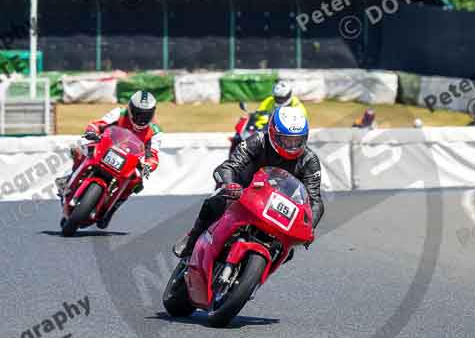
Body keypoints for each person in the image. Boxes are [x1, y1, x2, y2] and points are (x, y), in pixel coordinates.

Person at [176, 105, 324, 259]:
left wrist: (310, 227)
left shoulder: (309, 160)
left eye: (297, 140)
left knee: (286, 252)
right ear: (273, 134)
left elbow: (315, 200)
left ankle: (252, 277)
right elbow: (227, 167)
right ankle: (192, 240)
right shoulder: (258, 140)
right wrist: (229, 184)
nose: (292, 146)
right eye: (287, 140)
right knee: (215, 202)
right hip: (243, 193)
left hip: (276, 208)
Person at [55, 91, 162, 228]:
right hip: (106, 148)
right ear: (130, 108)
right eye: (138, 113)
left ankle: (111, 209)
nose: (141, 118)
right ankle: (69, 180)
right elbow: (98, 124)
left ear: (152, 113)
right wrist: (92, 132)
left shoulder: (155, 132)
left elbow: (153, 155)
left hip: (129, 160)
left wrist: (147, 165)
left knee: (136, 180)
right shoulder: (119, 113)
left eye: (145, 114)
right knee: (78, 148)